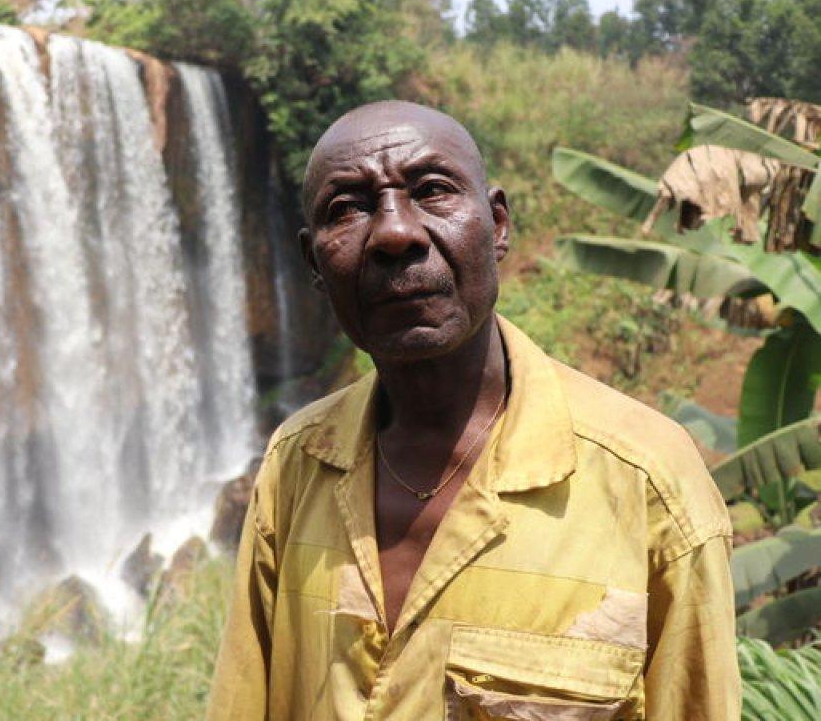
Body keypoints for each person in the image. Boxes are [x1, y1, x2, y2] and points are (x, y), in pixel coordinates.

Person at [206, 101, 739, 720]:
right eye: (346, 209)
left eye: (431, 191)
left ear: (499, 223)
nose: (394, 234)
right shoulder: (296, 464)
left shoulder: (648, 482)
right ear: (314, 265)